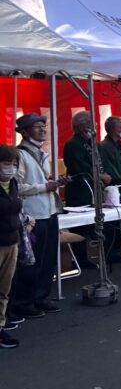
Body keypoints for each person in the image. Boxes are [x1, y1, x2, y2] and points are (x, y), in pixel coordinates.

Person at [11, 114, 63, 317]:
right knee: (32, 261)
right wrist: (44, 186)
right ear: (24, 131)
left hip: (48, 211)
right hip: (33, 215)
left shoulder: (42, 154)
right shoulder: (20, 154)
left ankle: (41, 297)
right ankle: (24, 302)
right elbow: (16, 186)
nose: (43, 129)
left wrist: (50, 183)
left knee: (48, 258)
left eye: (44, 126)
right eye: (37, 126)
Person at [63, 111, 115, 268]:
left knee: (98, 221)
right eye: (90, 125)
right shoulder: (73, 144)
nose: (94, 128)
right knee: (79, 226)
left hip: (95, 189)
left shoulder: (93, 143)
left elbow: (99, 162)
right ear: (80, 127)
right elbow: (81, 167)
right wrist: (99, 175)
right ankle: (79, 259)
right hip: (80, 190)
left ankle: (103, 254)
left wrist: (104, 175)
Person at [0, 146, 25, 348]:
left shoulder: (13, 183)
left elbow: (16, 209)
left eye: (14, 164)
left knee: (4, 289)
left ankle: (0, 328)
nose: (11, 168)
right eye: (7, 163)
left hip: (12, 240)